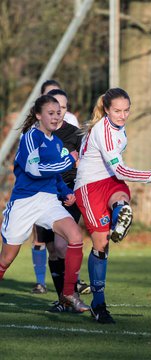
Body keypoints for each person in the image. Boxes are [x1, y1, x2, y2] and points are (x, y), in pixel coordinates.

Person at [74, 87, 151, 324]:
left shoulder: (119, 128)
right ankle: (98, 302)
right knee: (100, 243)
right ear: (107, 110)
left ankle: (121, 215)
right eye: (117, 111)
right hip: (89, 186)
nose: (122, 115)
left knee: (122, 199)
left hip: (110, 181)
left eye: (126, 110)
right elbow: (120, 168)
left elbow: (116, 171)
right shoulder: (104, 132)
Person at [0, 94, 89, 313]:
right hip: (25, 202)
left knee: (76, 237)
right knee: (7, 258)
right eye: (51, 113)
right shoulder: (31, 137)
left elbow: (55, 176)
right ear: (39, 115)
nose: (56, 117)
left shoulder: (57, 142)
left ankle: (68, 293)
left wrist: (65, 191)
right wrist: (69, 159)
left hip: (49, 201)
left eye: (59, 112)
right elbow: (35, 170)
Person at [33, 88, 90, 312]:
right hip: (43, 196)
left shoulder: (75, 134)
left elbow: (85, 165)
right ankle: (63, 300)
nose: (59, 113)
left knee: (61, 243)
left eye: (63, 108)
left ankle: (71, 290)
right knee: (52, 249)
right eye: (55, 108)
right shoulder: (37, 134)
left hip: (69, 195)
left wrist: (76, 187)